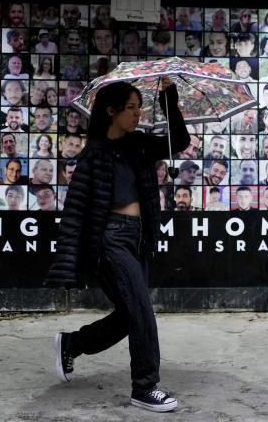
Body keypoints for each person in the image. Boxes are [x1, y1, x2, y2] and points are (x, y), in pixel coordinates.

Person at [45, 77, 188, 412]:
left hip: (137, 238)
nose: (138, 114)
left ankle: (72, 343)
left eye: (140, 107)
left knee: (128, 316)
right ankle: (145, 387)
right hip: (110, 239)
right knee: (141, 312)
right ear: (111, 111)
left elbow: (179, 139)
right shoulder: (94, 154)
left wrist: (169, 95)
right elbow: (75, 210)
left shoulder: (139, 144)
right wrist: (69, 261)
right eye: (131, 108)